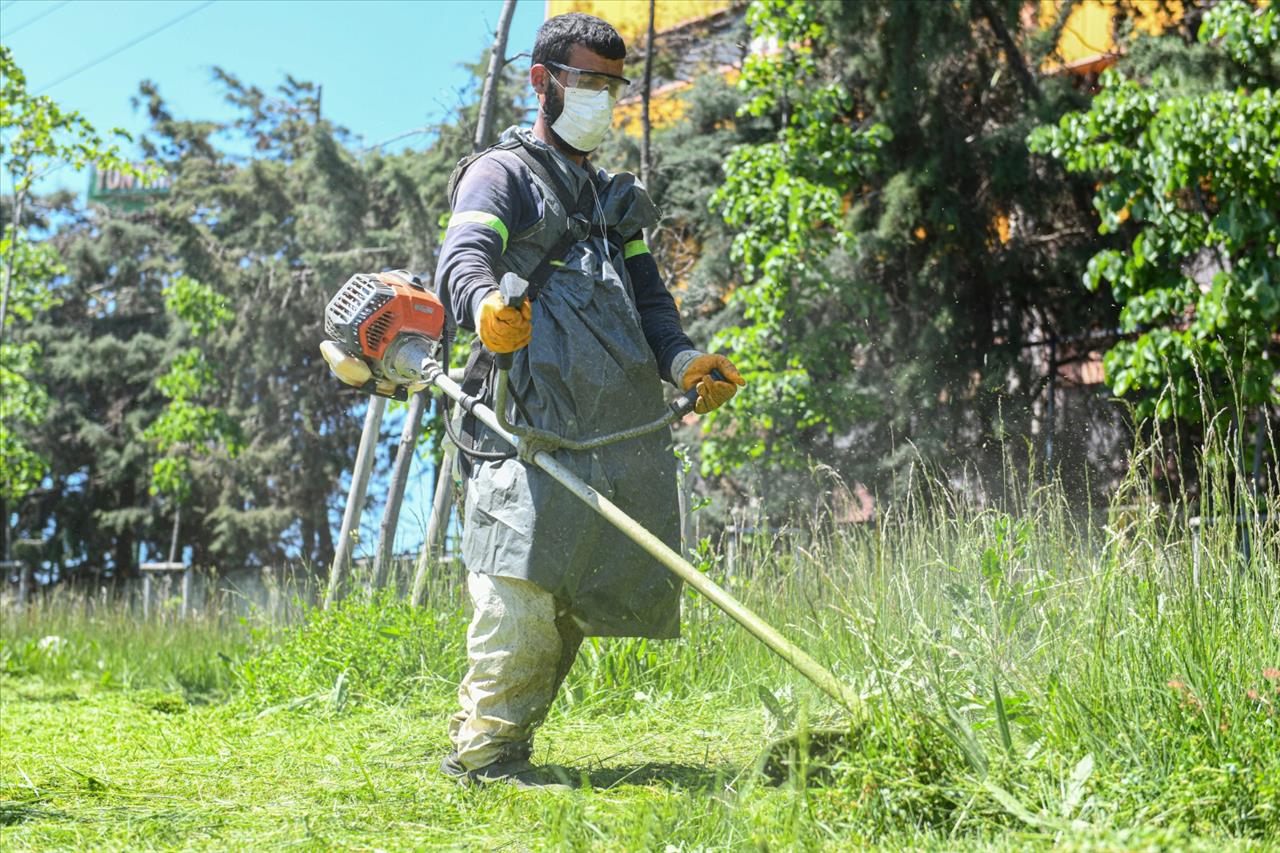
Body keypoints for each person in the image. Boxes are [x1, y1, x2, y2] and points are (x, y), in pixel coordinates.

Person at [434, 12, 744, 790]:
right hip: (526, 416)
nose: (603, 99)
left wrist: (682, 364)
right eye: (587, 82)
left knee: (571, 593)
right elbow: (463, 256)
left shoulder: (613, 199)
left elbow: (651, 304)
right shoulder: (501, 174)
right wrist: (482, 308)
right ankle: (483, 755)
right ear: (542, 82)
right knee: (519, 582)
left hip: (610, 427)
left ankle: (506, 746)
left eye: (613, 85)